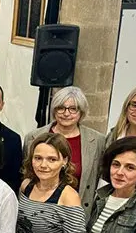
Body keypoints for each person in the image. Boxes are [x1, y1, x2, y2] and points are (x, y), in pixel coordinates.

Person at [24, 86, 106, 216]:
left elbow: (100, 178)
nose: (66, 113)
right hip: (37, 211)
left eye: (73, 109)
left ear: (81, 112)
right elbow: (27, 173)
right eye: (61, 108)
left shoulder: (97, 141)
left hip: (77, 212)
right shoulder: (33, 137)